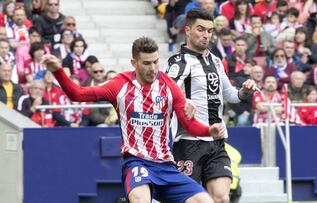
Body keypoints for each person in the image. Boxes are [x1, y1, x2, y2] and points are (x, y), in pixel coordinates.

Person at [42, 36, 225, 203]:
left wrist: (209, 131)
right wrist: (58, 71)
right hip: (137, 162)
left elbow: (189, 124)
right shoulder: (119, 85)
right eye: (146, 63)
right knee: (140, 200)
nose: (153, 68)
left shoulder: (168, 86)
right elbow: (78, 93)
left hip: (166, 166)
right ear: (134, 63)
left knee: (205, 201)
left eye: (155, 62)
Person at [166, 9, 256, 203]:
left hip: (217, 142)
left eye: (209, 30)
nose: (206, 35)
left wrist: (245, 91)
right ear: (188, 30)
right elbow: (164, 93)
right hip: (189, 142)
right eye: (200, 29)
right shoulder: (179, 62)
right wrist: (183, 101)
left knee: (222, 198)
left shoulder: (215, 60)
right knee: (187, 199)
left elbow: (230, 94)